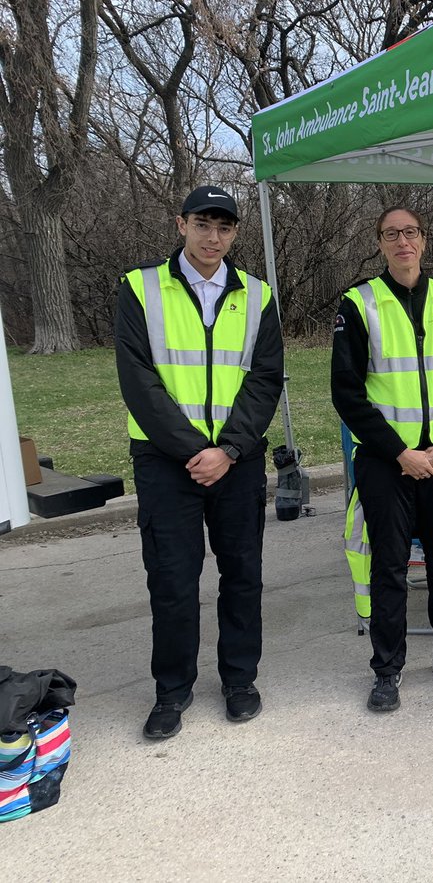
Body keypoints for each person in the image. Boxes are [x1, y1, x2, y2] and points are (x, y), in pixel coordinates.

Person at [115, 185, 284, 740]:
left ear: (235, 233)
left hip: (237, 459)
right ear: (181, 224)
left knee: (243, 576)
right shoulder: (140, 288)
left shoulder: (257, 296)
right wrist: (195, 452)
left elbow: (265, 379)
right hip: (168, 462)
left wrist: (229, 449)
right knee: (172, 580)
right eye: (203, 225)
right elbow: (138, 380)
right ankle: (172, 690)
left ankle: (240, 680)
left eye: (224, 228)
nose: (213, 237)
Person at [331, 205, 433, 712]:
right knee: (390, 567)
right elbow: (347, 393)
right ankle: (387, 669)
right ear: (379, 242)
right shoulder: (359, 303)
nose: (403, 242)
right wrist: (400, 452)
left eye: (411, 232)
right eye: (392, 234)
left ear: (424, 240)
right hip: (385, 461)